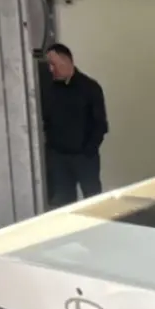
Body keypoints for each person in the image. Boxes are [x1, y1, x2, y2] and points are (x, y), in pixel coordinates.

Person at [41, 43, 107, 207]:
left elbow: (100, 124)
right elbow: (46, 120)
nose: (50, 69)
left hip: (84, 157)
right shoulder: (50, 90)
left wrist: (88, 149)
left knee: (93, 201)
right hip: (59, 158)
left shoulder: (90, 88)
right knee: (62, 204)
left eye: (53, 64)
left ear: (66, 61)